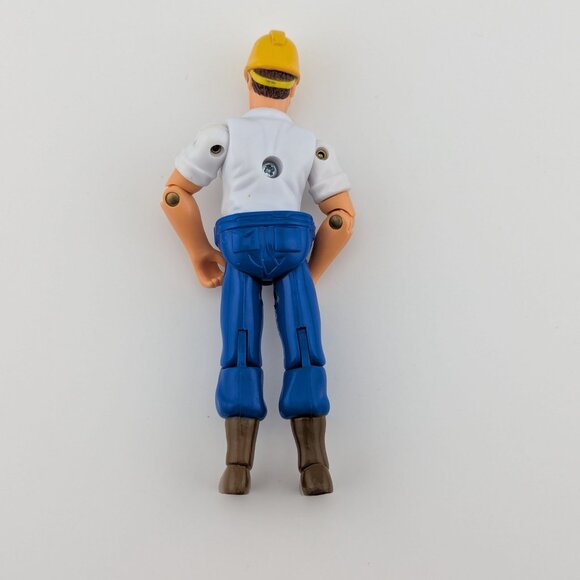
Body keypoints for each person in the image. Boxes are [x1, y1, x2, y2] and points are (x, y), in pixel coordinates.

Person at [161, 30, 355, 495]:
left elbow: (175, 194)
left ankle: (236, 468)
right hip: (292, 248)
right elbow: (341, 219)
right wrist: (310, 273)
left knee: (239, 347)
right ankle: (315, 467)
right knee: (305, 348)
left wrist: (199, 251)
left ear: (248, 77)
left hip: (240, 248)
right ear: (294, 86)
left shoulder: (223, 134)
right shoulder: (310, 143)